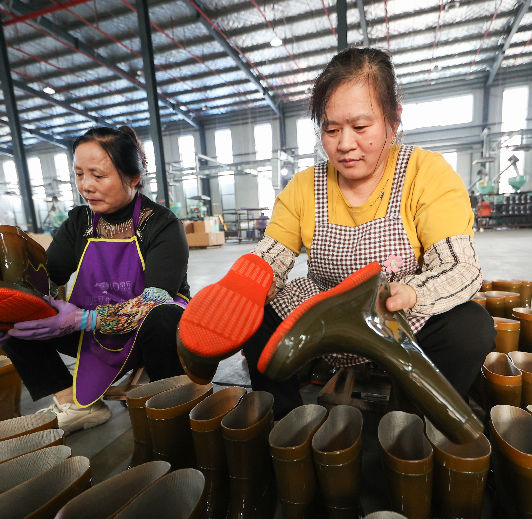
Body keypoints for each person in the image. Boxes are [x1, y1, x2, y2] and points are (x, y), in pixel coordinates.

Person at [179, 48, 494, 419]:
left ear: (393, 120)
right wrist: (249, 284)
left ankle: (408, 422)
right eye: (331, 130)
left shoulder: (426, 173)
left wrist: (410, 293)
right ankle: (284, 421)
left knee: (470, 327)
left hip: (399, 314)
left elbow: (460, 267)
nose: (344, 144)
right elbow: (272, 255)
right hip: (323, 315)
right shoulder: (304, 187)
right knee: (259, 313)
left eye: (360, 127)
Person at [0, 126, 190, 432]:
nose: (86, 186)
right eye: (79, 174)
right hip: (87, 328)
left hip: (147, 333)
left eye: (98, 175)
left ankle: (169, 404)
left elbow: (153, 302)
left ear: (133, 177)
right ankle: (75, 404)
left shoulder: (162, 224)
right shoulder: (80, 222)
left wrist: (86, 319)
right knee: (16, 310)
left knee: (164, 317)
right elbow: (47, 278)